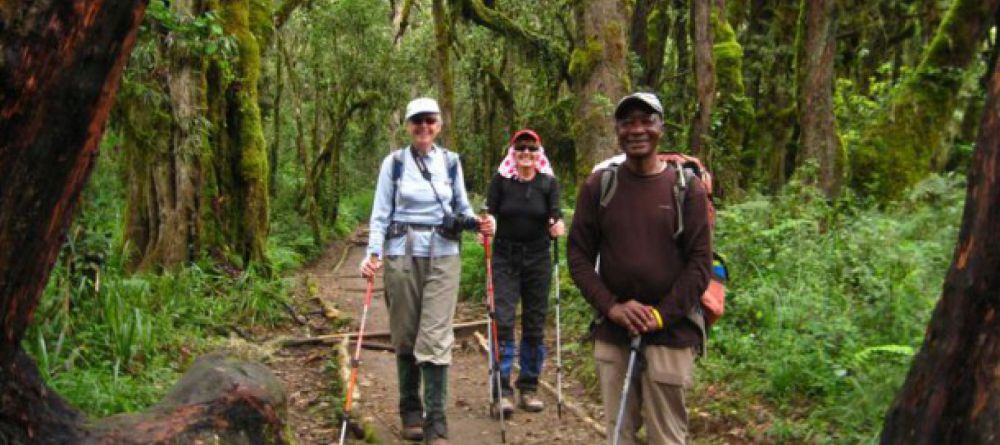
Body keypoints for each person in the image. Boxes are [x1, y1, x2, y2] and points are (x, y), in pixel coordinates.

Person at [567, 92, 712, 445]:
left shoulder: (686, 189)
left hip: (671, 333)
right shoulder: (599, 186)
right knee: (619, 434)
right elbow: (578, 256)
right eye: (627, 122)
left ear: (661, 128)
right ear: (616, 130)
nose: (637, 130)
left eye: (646, 121)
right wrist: (612, 307)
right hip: (613, 332)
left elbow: (700, 264)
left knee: (668, 436)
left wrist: (660, 316)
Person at [361, 97, 494, 445]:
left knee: (435, 336)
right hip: (400, 254)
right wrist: (373, 253)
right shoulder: (393, 164)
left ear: (439, 124)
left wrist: (480, 223)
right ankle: (410, 410)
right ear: (407, 125)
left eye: (430, 120)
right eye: (417, 121)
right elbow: (379, 214)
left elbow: (462, 206)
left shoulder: (450, 163)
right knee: (405, 334)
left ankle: (437, 421)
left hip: (443, 254)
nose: (424, 127)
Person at [485, 129, 565, 417]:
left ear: (539, 153)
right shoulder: (501, 181)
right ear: (512, 152)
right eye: (521, 149)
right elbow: (489, 210)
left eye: (532, 149)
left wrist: (558, 225)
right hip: (505, 256)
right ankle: (501, 392)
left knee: (534, 323)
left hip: (538, 257)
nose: (526, 154)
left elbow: (556, 214)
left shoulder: (548, 182)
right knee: (503, 322)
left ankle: (528, 387)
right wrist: (487, 222)